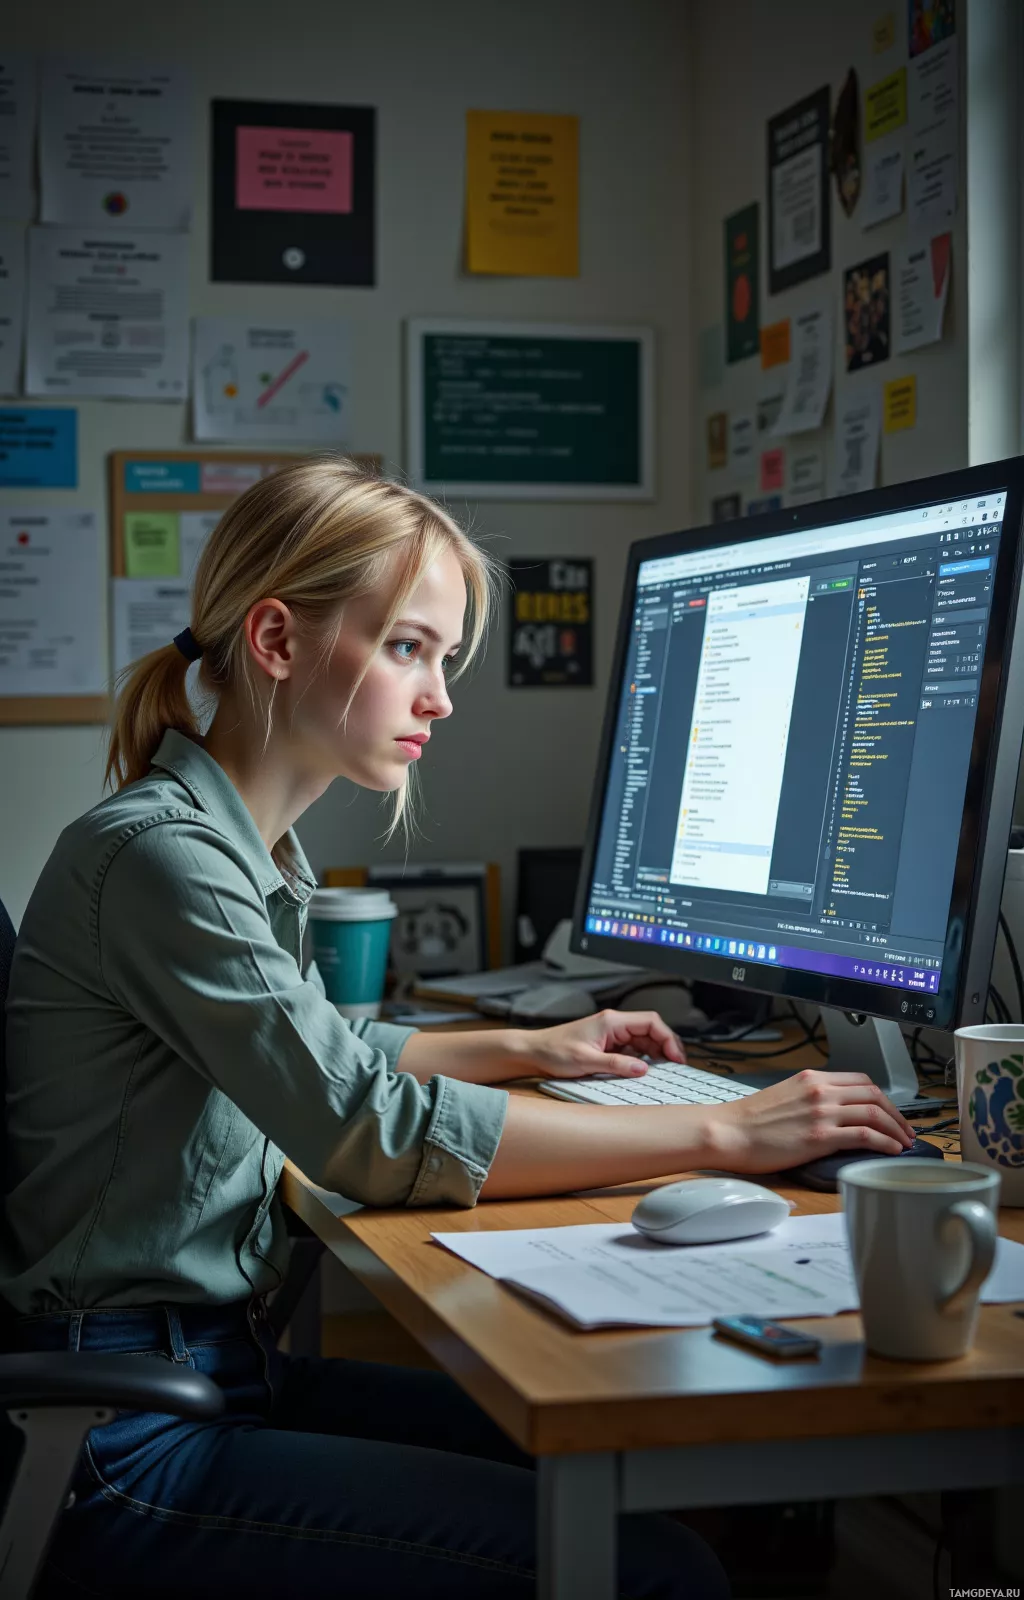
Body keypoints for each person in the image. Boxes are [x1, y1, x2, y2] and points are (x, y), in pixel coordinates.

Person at [2, 458, 915, 1598]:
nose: (439, 696)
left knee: (653, 1474)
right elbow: (363, 1130)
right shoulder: (164, 857)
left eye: (445, 658)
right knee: (655, 1567)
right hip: (126, 1435)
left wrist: (528, 1047)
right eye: (407, 648)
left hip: (204, 1370)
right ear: (277, 642)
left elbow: (320, 1051)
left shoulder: (232, 849)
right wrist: (725, 1133)